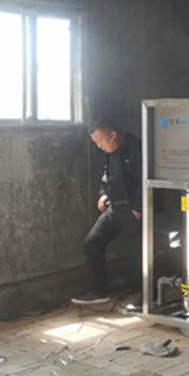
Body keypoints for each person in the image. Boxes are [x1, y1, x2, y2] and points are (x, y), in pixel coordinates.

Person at [71, 119, 142, 304]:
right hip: (115, 207)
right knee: (92, 243)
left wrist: (139, 207)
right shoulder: (110, 151)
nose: (99, 146)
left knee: (139, 251)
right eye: (96, 143)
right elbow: (107, 174)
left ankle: (144, 294)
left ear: (113, 135)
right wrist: (103, 193)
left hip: (134, 209)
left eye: (101, 141)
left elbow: (145, 179)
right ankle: (98, 291)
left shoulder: (136, 148)